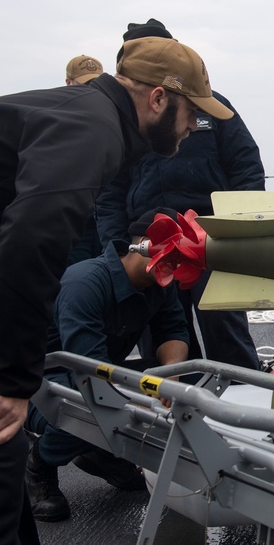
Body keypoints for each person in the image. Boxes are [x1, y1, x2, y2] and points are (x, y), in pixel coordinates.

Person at [0, 34, 229, 544]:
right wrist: (13, 383)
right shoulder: (95, 128)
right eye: (194, 113)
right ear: (157, 98)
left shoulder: (79, 113)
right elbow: (31, 240)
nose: (195, 127)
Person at [96, 19, 264, 371]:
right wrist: (117, 248)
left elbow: (246, 166)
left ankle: (244, 402)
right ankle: (172, 417)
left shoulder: (212, 106)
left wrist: (241, 231)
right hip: (148, 247)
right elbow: (109, 191)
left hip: (211, 242)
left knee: (227, 336)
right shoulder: (120, 122)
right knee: (163, 343)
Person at [24, 207, 190, 522]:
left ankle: (98, 450)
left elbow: (173, 331)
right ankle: (40, 464)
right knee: (97, 407)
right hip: (38, 382)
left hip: (94, 372)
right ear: (143, 243)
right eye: (173, 256)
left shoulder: (159, 283)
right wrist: (144, 398)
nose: (176, 266)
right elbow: (89, 371)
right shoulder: (85, 282)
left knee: (172, 398)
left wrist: (171, 380)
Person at [64, 55, 105, 264]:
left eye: (94, 84)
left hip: (100, 223)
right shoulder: (58, 121)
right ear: (68, 83)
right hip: (73, 226)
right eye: (84, 84)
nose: (90, 90)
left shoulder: (106, 120)